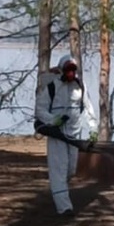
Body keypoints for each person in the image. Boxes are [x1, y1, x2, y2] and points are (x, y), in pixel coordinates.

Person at [34, 54, 97, 215]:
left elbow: (88, 108)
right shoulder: (52, 88)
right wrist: (53, 120)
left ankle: (59, 193)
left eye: (73, 70)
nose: (71, 73)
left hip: (74, 135)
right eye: (68, 70)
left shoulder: (80, 86)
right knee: (59, 171)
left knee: (70, 170)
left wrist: (92, 129)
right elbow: (40, 109)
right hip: (57, 135)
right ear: (62, 70)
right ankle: (64, 209)